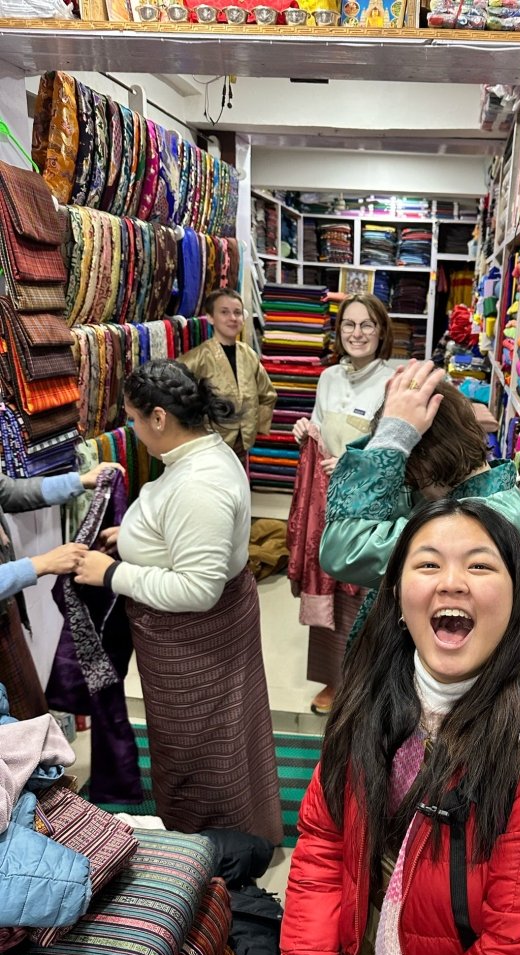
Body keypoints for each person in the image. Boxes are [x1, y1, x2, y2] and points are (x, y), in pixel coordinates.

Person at [277, 499, 520, 955]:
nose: (452, 582)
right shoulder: (373, 697)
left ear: (518, 599)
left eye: (480, 565)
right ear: (395, 593)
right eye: (428, 564)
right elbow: (324, 848)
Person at [75, 359, 283, 844]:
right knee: (219, 738)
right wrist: (134, 535)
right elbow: (186, 538)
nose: (132, 428)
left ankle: (210, 850)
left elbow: (197, 589)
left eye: (132, 418)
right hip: (199, 637)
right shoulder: (196, 459)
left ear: (160, 418)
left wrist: (114, 572)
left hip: (195, 641)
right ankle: (233, 833)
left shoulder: (199, 483)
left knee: (200, 747)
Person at [319, 359, 520, 637]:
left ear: (423, 458)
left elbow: (343, 549)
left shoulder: (471, 521)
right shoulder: (487, 491)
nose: (406, 481)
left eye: (407, 468)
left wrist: (394, 437)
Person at [289, 292, 396, 715]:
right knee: (330, 582)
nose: (357, 333)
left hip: (370, 500)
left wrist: (357, 460)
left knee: (363, 591)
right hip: (329, 499)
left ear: (381, 331)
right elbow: (321, 421)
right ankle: (335, 680)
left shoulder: (395, 379)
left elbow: (398, 443)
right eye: (349, 325)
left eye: (367, 324)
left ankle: (368, 683)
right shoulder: (330, 377)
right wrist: (305, 431)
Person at [0, 459, 123, 721]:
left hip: (4, 609)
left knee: (27, 719)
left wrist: (80, 481)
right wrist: (40, 564)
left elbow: (7, 491)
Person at [179, 287, 277, 470]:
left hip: (242, 444)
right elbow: (176, 395)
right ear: (210, 317)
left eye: (237, 313)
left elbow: (268, 394)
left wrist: (255, 427)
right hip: (210, 445)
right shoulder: (198, 357)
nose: (232, 318)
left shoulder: (248, 354)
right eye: (224, 312)